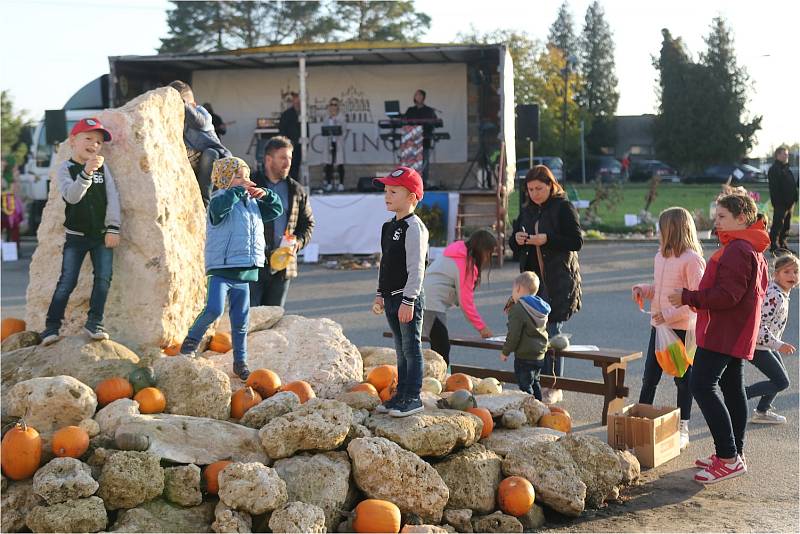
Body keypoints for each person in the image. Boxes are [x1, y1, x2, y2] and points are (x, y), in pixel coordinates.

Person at [668, 193, 769, 484]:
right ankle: (734, 453)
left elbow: (728, 296)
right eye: (716, 218)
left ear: (742, 218)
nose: (718, 223)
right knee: (732, 387)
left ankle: (728, 457)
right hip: (735, 331)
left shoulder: (739, 249)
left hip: (723, 332)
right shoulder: (750, 246)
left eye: (722, 217)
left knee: (701, 384)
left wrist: (688, 297)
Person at [179, 157, 283, 380]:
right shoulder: (219, 200)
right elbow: (220, 210)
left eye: (246, 176)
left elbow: (276, 210)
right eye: (238, 176)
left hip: (244, 269)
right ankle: (190, 343)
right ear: (224, 180)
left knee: (241, 319)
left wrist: (267, 195)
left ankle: (241, 361)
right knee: (214, 309)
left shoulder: (252, 203)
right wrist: (236, 192)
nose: (245, 181)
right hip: (222, 268)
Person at [40, 118, 121, 346]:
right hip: (75, 237)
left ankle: (95, 322)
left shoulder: (104, 169)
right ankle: (51, 326)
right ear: (73, 141)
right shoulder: (66, 168)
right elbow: (72, 196)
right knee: (67, 282)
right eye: (88, 138)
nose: (94, 145)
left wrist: (114, 227)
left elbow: (113, 199)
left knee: (103, 279)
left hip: (102, 236)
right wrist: (85, 172)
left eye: (98, 142)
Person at [632, 207, 706, 450]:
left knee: (683, 380)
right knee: (649, 377)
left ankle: (683, 426)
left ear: (673, 229)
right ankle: (639, 422)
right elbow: (660, 287)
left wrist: (669, 315)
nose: (657, 232)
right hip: (659, 327)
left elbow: (698, 301)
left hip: (683, 331)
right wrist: (645, 289)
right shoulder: (660, 256)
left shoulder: (693, 260)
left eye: (661, 227)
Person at [509, 165, 583, 404]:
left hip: (558, 281)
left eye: (539, 188)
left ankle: (553, 385)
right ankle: (531, 383)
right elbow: (514, 243)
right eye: (530, 189)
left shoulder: (563, 207)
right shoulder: (527, 211)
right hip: (532, 283)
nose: (534, 193)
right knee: (530, 333)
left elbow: (576, 241)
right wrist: (518, 240)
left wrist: (548, 239)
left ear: (551, 186)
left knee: (552, 335)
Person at [372, 166, 429, 417]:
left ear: (412, 197)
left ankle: (413, 395)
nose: (387, 195)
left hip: (407, 298)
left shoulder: (414, 228)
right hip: (390, 297)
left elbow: (416, 268)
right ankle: (400, 394)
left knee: (411, 347)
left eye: (393, 191)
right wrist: (379, 293)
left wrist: (409, 300)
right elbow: (386, 263)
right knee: (400, 347)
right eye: (386, 191)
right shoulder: (388, 226)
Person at [250, 136, 315, 307]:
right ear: (268, 159)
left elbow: (308, 224)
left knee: (274, 319)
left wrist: (298, 243)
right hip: (253, 263)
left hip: (282, 265)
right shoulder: (250, 185)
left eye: (290, 158)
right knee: (250, 318)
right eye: (283, 158)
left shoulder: (297, 190)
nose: (288, 163)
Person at [423, 229, 496, 365]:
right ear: (482, 250)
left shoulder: (458, 251)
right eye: (489, 253)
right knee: (441, 349)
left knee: (439, 346)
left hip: (425, 298)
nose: (488, 257)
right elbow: (465, 302)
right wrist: (482, 328)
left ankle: (438, 380)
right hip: (432, 303)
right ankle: (441, 381)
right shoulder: (466, 264)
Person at [745, 253, 798, 424]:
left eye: (796, 272)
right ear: (776, 274)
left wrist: (775, 344)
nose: (792, 276)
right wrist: (779, 344)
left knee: (779, 377)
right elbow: (759, 326)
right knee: (781, 382)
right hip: (759, 345)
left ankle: (762, 411)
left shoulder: (781, 292)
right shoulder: (774, 295)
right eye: (787, 272)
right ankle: (740, 394)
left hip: (766, 345)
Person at [168, 81, 232, 208]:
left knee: (210, 154)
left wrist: (182, 104)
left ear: (193, 105)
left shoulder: (202, 113)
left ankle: (204, 203)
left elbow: (199, 122)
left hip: (215, 165)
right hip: (193, 167)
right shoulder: (173, 123)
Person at [499, 271, 551, 400]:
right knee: (535, 382)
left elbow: (514, 334)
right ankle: (539, 407)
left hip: (524, 355)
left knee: (525, 386)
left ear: (518, 288)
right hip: (539, 354)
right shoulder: (540, 307)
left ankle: (530, 408)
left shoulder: (519, 309)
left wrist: (505, 352)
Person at [403, 89, 438, 186]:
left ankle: (423, 182)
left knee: (423, 161)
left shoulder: (429, 110)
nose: (417, 97)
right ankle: (410, 182)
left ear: (423, 97)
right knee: (410, 161)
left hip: (424, 140)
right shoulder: (410, 110)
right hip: (411, 141)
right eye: (415, 95)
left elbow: (434, 122)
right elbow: (404, 122)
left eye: (419, 95)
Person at [767, 146, 797, 254]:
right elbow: (774, 188)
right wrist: (779, 202)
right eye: (784, 154)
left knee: (786, 226)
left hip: (790, 203)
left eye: (787, 154)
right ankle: (774, 247)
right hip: (781, 203)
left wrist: (794, 198)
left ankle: (783, 245)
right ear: (778, 155)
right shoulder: (774, 169)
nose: (787, 156)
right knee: (777, 225)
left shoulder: (786, 168)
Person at [323, 97, 346, 192]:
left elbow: (343, 129)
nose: (333, 107)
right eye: (331, 104)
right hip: (329, 142)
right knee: (329, 164)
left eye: (335, 105)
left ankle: (341, 183)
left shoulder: (342, 117)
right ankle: (329, 183)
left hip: (338, 142)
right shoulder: (326, 117)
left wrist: (336, 121)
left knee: (340, 163)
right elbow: (324, 129)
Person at [1, 156, 24, 251]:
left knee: (13, 226)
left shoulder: (10, 175)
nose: (3, 165)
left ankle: (13, 249)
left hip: (10, 203)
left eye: (3, 163)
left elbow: (15, 190)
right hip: (4, 203)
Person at [279, 92, 302, 181]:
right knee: (289, 165)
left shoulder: (303, 114)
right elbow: (282, 129)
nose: (297, 104)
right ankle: (288, 182)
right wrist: (285, 142)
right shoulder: (286, 114)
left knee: (297, 165)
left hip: (300, 144)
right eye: (296, 102)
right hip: (289, 145)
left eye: (299, 102)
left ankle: (295, 183)